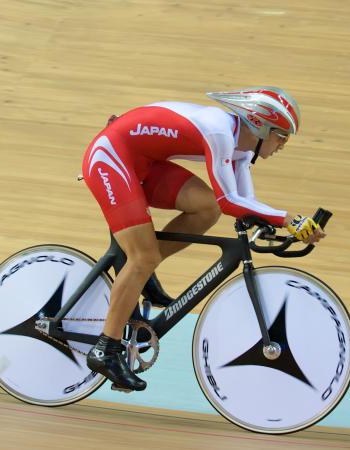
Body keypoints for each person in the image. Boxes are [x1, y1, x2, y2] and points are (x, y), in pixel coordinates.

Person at [81, 87, 325, 392]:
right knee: (143, 257)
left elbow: (244, 203)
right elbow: (230, 201)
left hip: (142, 160)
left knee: (205, 208)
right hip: (111, 157)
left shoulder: (243, 149)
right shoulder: (220, 132)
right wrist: (288, 218)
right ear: (261, 125)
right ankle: (106, 349)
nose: (283, 145)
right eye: (282, 136)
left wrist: (283, 222)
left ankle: (139, 277)